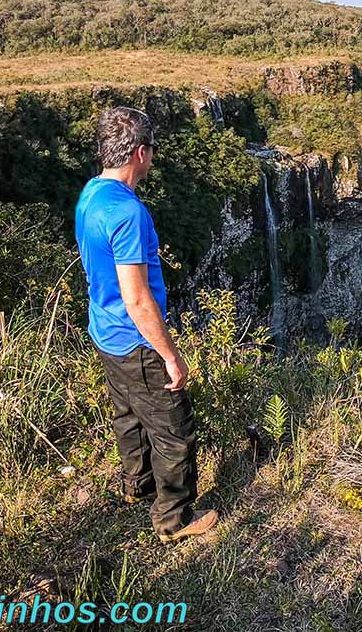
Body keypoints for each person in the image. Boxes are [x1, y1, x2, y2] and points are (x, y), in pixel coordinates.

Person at [74, 105, 218, 544]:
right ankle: (174, 520)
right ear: (140, 153)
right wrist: (171, 356)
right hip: (137, 341)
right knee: (174, 431)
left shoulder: (91, 193)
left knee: (129, 415)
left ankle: (138, 485)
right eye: (152, 150)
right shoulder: (129, 214)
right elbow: (137, 298)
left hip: (105, 332)